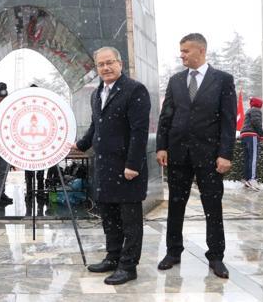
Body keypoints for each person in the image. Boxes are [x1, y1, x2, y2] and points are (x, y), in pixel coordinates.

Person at [156, 33, 237, 279]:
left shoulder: (222, 80)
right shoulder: (176, 81)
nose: (181, 55)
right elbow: (166, 116)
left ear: (201, 51)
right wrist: (162, 146)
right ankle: (173, 251)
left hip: (210, 156)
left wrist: (225, 154)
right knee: (175, 205)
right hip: (178, 154)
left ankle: (216, 256)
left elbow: (228, 120)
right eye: (181, 50)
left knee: (212, 207)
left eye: (186, 50)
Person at [73, 46, 151, 285]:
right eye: (101, 64)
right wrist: (80, 145)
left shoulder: (135, 90)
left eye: (110, 63)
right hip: (104, 167)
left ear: (120, 64)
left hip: (127, 168)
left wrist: (133, 164)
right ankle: (113, 256)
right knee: (109, 217)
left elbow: (140, 131)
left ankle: (128, 266)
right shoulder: (97, 93)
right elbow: (96, 125)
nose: (105, 68)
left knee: (130, 221)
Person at [24, 84, 46, 203]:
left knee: (40, 170)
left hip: (40, 144)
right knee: (29, 170)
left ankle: (39, 192)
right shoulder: (25, 108)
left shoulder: (42, 107)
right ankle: (30, 192)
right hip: (28, 144)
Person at [240, 97, 263, 190]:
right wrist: (261, 134)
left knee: (247, 159)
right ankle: (253, 180)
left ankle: (247, 179)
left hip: (245, 135)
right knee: (253, 158)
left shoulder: (249, 110)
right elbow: (256, 122)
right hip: (252, 135)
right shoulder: (256, 110)